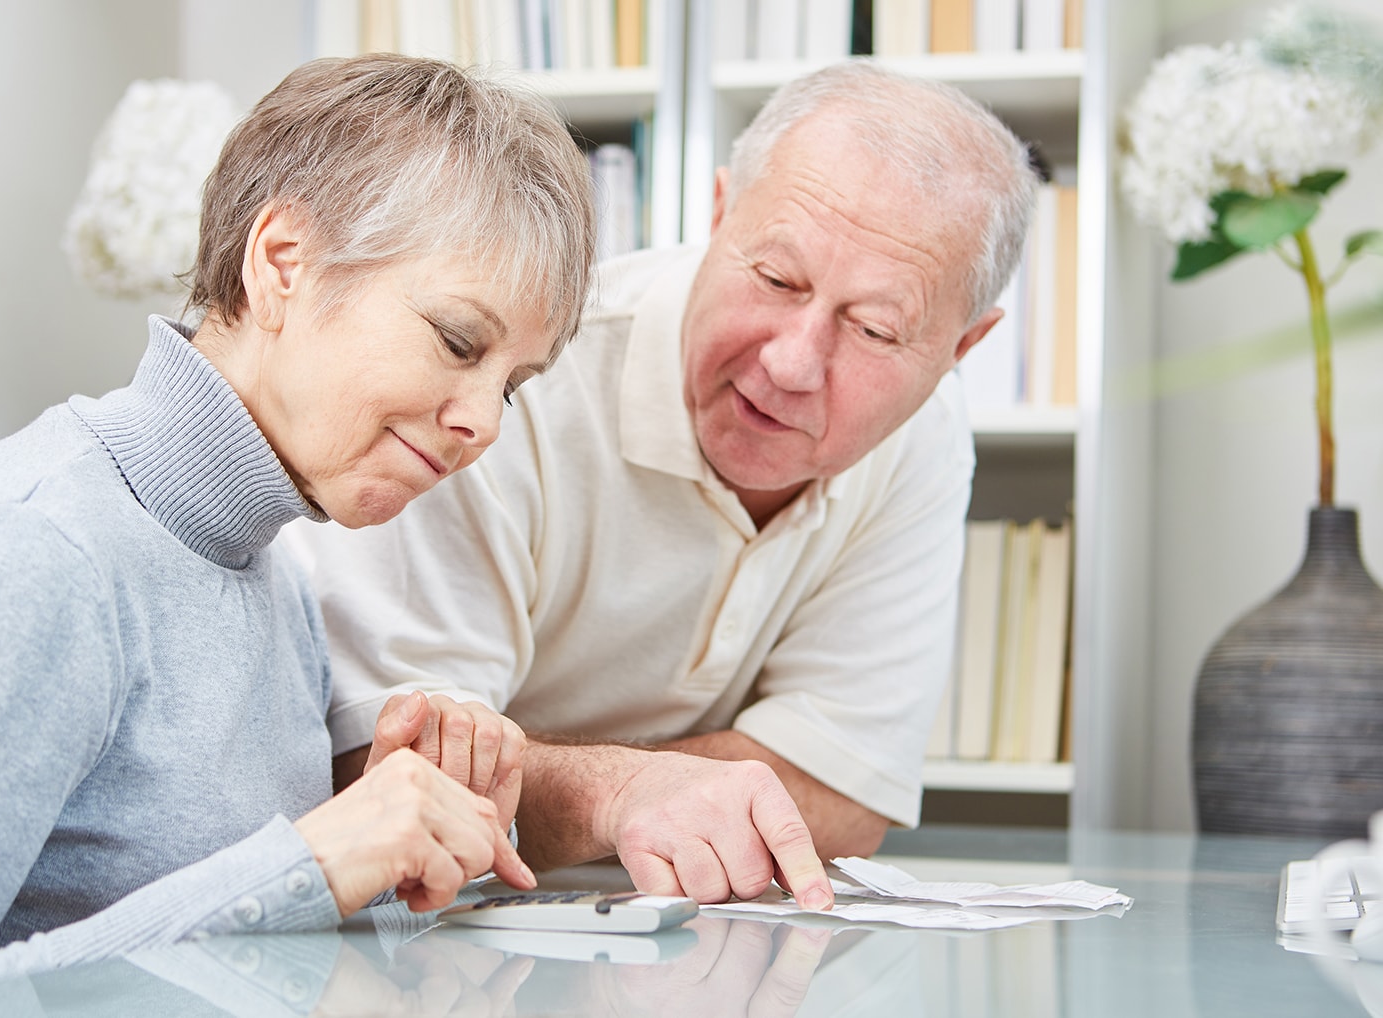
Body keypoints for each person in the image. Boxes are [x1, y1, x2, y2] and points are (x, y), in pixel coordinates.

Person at [0, 54, 603, 979]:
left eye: (511, 386)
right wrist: (308, 865)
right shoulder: (32, 547)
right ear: (283, 263)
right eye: (455, 341)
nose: (481, 423)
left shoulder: (272, 570)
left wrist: (410, 861)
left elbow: (243, 960)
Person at [286, 62, 1039, 896]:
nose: (792, 364)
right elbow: (395, 777)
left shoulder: (925, 436)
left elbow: (844, 795)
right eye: (776, 279)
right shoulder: (506, 382)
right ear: (718, 216)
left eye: (873, 329)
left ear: (961, 351)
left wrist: (565, 782)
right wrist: (620, 793)